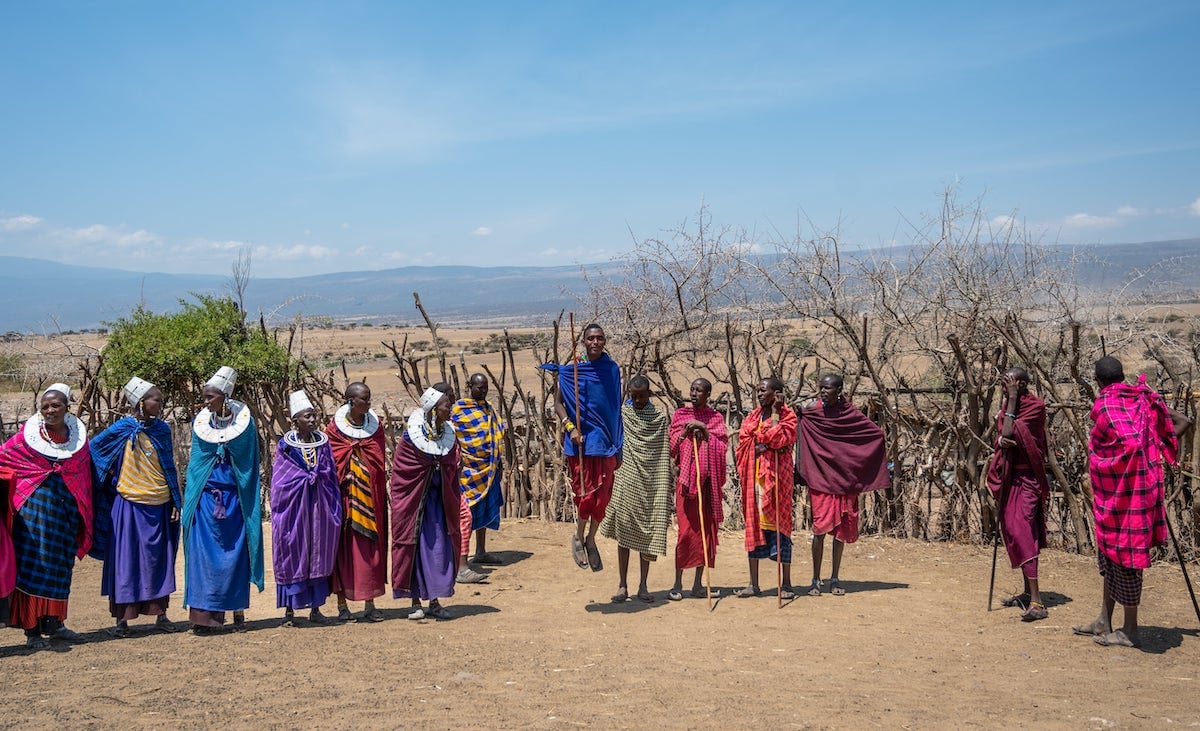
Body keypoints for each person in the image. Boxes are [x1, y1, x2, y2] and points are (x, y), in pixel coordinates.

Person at [1074, 356, 1192, 648]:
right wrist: (1157, 448)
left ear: (1098, 381)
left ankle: (1129, 630)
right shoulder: (1141, 399)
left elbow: (1131, 445)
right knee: (1110, 557)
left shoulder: (1106, 405)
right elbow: (1183, 421)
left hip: (1127, 499)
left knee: (1126, 560)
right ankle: (1104, 620)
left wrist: (1141, 454)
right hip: (1126, 496)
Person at [0, 383, 93, 649]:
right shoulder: (24, 440)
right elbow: (3, 460)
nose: (50, 410)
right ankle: (31, 631)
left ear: (67, 408)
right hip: (33, 515)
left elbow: (83, 476)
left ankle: (56, 624)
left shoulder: (78, 441)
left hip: (65, 514)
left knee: (60, 568)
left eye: (56, 406)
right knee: (34, 567)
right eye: (45, 407)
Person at [89, 377, 182, 637]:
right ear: (142, 402)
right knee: (126, 561)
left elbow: (169, 468)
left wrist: (175, 500)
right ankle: (122, 620)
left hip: (160, 504)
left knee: (158, 560)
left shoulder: (162, 430)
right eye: (157, 400)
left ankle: (161, 615)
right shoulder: (120, 430)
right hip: (128, 505)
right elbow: (94, 452)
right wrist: (107, 481)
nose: (161, 405)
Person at [182, 366, 264, 634]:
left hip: (235, 500)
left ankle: (237, 610)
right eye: (204, 397)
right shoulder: (201, 423)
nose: (205, 402)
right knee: (203, 556)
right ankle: (203, 618)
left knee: (235, 555)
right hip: (205, 502)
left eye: (210, 397)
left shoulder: (245, 424)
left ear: (225, 397)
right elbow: (197, 464)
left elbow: (248, 463)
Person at [797, 374, 889, 597]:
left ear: (839, 390)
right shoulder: (812, 410)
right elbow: (799, 428)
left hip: (845, 480)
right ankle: (815, 579)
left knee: (840, 532)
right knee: (819, 530)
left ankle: (835, 578)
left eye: (828, 388)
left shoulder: (849, 413)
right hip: (821, 479)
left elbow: (874, 434)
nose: (823, 392)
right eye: (821, 388)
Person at [541, 323, 623, 571]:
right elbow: (557, 404)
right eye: (591, 338)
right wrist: (570, 428)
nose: (596, 342)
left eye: (600, 338)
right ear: (583, 342)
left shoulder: (611, 370)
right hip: (581, 442)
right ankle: (578, 535)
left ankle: (591, 539)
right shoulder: (571, 371)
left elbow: (614, 408)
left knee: (603, 498)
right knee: (585, 495)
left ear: (604, 341)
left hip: (606, 441)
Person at [391, 384, 462, 620]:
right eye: (445, 406)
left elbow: (452, 466)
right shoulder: (412, 438)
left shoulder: (447, 435)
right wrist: (427, 471)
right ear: (433, 410)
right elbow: (402, 471)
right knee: (415, 551)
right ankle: (414, 602)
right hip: (415, 505)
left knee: (438, 551)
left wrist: (442, 472)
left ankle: (434, 601)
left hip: (438, 504)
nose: (449, 409)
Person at [985, 367, 1052, 621]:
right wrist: (1001, 440)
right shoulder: (1006, 407)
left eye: (1009, 383)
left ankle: (1037, 602)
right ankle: (1026, 593)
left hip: (1028, 479)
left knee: (1024, 534)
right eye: (1003, 384)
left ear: (1022, 384)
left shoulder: (1036, 406)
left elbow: (1012, 432)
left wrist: (1012, 399)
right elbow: (1003, 435)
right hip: (1010, 479)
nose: (1004, 388)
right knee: (1013, 532)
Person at [271, 390, 342, 626]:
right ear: (295, 420)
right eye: (307, 417)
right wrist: (305, 479)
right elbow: (281, 479)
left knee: (317, 552)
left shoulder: (322, 444)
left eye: (313, 416)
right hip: (294, 510)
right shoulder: (286, 446)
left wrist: (317, 480)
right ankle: (290, 611)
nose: (312, 420)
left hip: (319, 508)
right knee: (293, 550)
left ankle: (316, 608)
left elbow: (330, 474)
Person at [600, 375, 672, 602]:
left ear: (649, 394)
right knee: (624, 533)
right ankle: (622, 585)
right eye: (634, 396)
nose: (639, 400)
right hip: (626, 480)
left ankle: (643, 585)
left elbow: (661, 454)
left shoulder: (659, 419)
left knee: (646, 534)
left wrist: (662, 482)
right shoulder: (623, 415)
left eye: (642, 396)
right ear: (629, 394)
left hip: (650, 483)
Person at [326, 382, 389, 622]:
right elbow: (332, 462)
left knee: (370, 550)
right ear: (352, 401)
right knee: (344, 552)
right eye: (365, 399)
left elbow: (378, 461)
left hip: (370, 500)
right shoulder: (335, 430)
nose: (369, 403)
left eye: (370, 398)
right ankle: (342, 606)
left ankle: (370, 604)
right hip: (345, 501)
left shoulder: (375, 427)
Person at [735, 377, 797, 599]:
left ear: (777, 392)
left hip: (778, 481)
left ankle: (787, 584)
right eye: (758, 391)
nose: (759, 394)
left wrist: (775, 417)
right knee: (753, 526)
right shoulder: (752, 416)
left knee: (781, 528)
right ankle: (753, 584)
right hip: (755, 481)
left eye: (763, 390)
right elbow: (744, 441)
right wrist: (759, 445)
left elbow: (779, 438)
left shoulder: (787, 415)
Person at [668, 378, 727, 601]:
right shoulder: (681, 415)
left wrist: (704, 430)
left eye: (699, 390)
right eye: (691, 389)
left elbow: (722, 448)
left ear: (708, 394)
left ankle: (698, 585)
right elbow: (672, 449)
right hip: (686, 485)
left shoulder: (716, 418)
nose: (693, 393)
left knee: (706, 533)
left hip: (707, 485)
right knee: (685, 534)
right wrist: (684, 433)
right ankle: (677, 584)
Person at [451, 373, 506, 569]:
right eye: (479, 387)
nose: (483, 391)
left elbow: (497, 434)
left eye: (485, 387)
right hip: (469, 471)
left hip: (489, 469)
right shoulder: (459, 410)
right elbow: (454, 437)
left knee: (484, 510)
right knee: (466, 514)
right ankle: (461, 559)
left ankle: (481, 551)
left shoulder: (489, 409)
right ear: (470, 386)